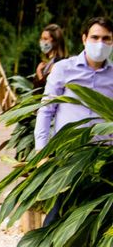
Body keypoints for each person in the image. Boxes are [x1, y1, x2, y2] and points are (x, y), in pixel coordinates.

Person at [34, 17, 113, 225]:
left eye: (106, 39)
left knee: (97, 222)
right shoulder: (63, 69)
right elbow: (46, 110)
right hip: (67, 156)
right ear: (84, 38)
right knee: (56, 217)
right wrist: (42, 151)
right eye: (95, 37)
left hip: (103, 157)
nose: (100, 43)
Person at [33, 23, 67, 92]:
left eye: (45, 39)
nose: (42, 42)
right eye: (41, 39)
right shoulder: (46, 62)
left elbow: (49, 89)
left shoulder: (59, 63)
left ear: (55, 41)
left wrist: (39, 73)